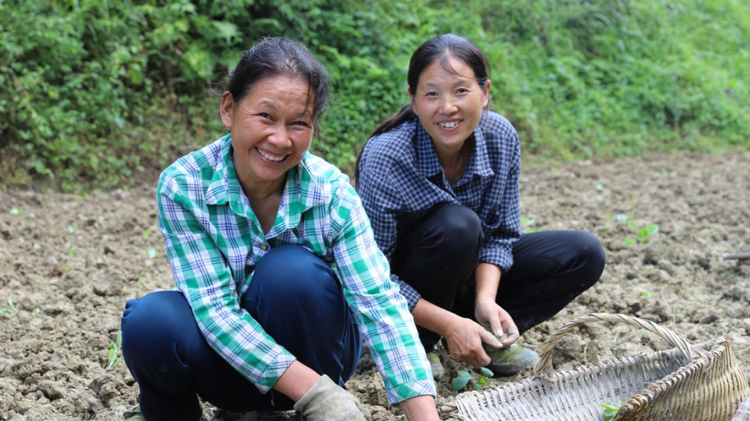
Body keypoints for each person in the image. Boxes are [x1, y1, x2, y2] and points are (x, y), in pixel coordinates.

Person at [120, 38, 440, 421]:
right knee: (150, 322)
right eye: (266, 116)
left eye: (298, 123)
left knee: (291, 272)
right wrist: (318, 394)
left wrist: (425, 417)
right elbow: (215, 309)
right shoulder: (184, 186)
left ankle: (293, 409)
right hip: (233, 367)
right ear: (229, 109)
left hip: (319, 357)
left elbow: (379, 303)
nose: (279, 139)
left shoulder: (331, 194)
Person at [356, 34, 606, 378]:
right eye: (432, 94)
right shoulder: (388, 156)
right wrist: (445, 322)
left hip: (467, 277)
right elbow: (370, 274)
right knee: (457, 225)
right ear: (414, 101)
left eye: (461, 90)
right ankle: (416, 341)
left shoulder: (500, 136)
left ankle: (486, 333)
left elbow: (501, 235)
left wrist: (485, 299)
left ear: (485, 93)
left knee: (584, 253)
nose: (447, 107)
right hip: (404, 294)